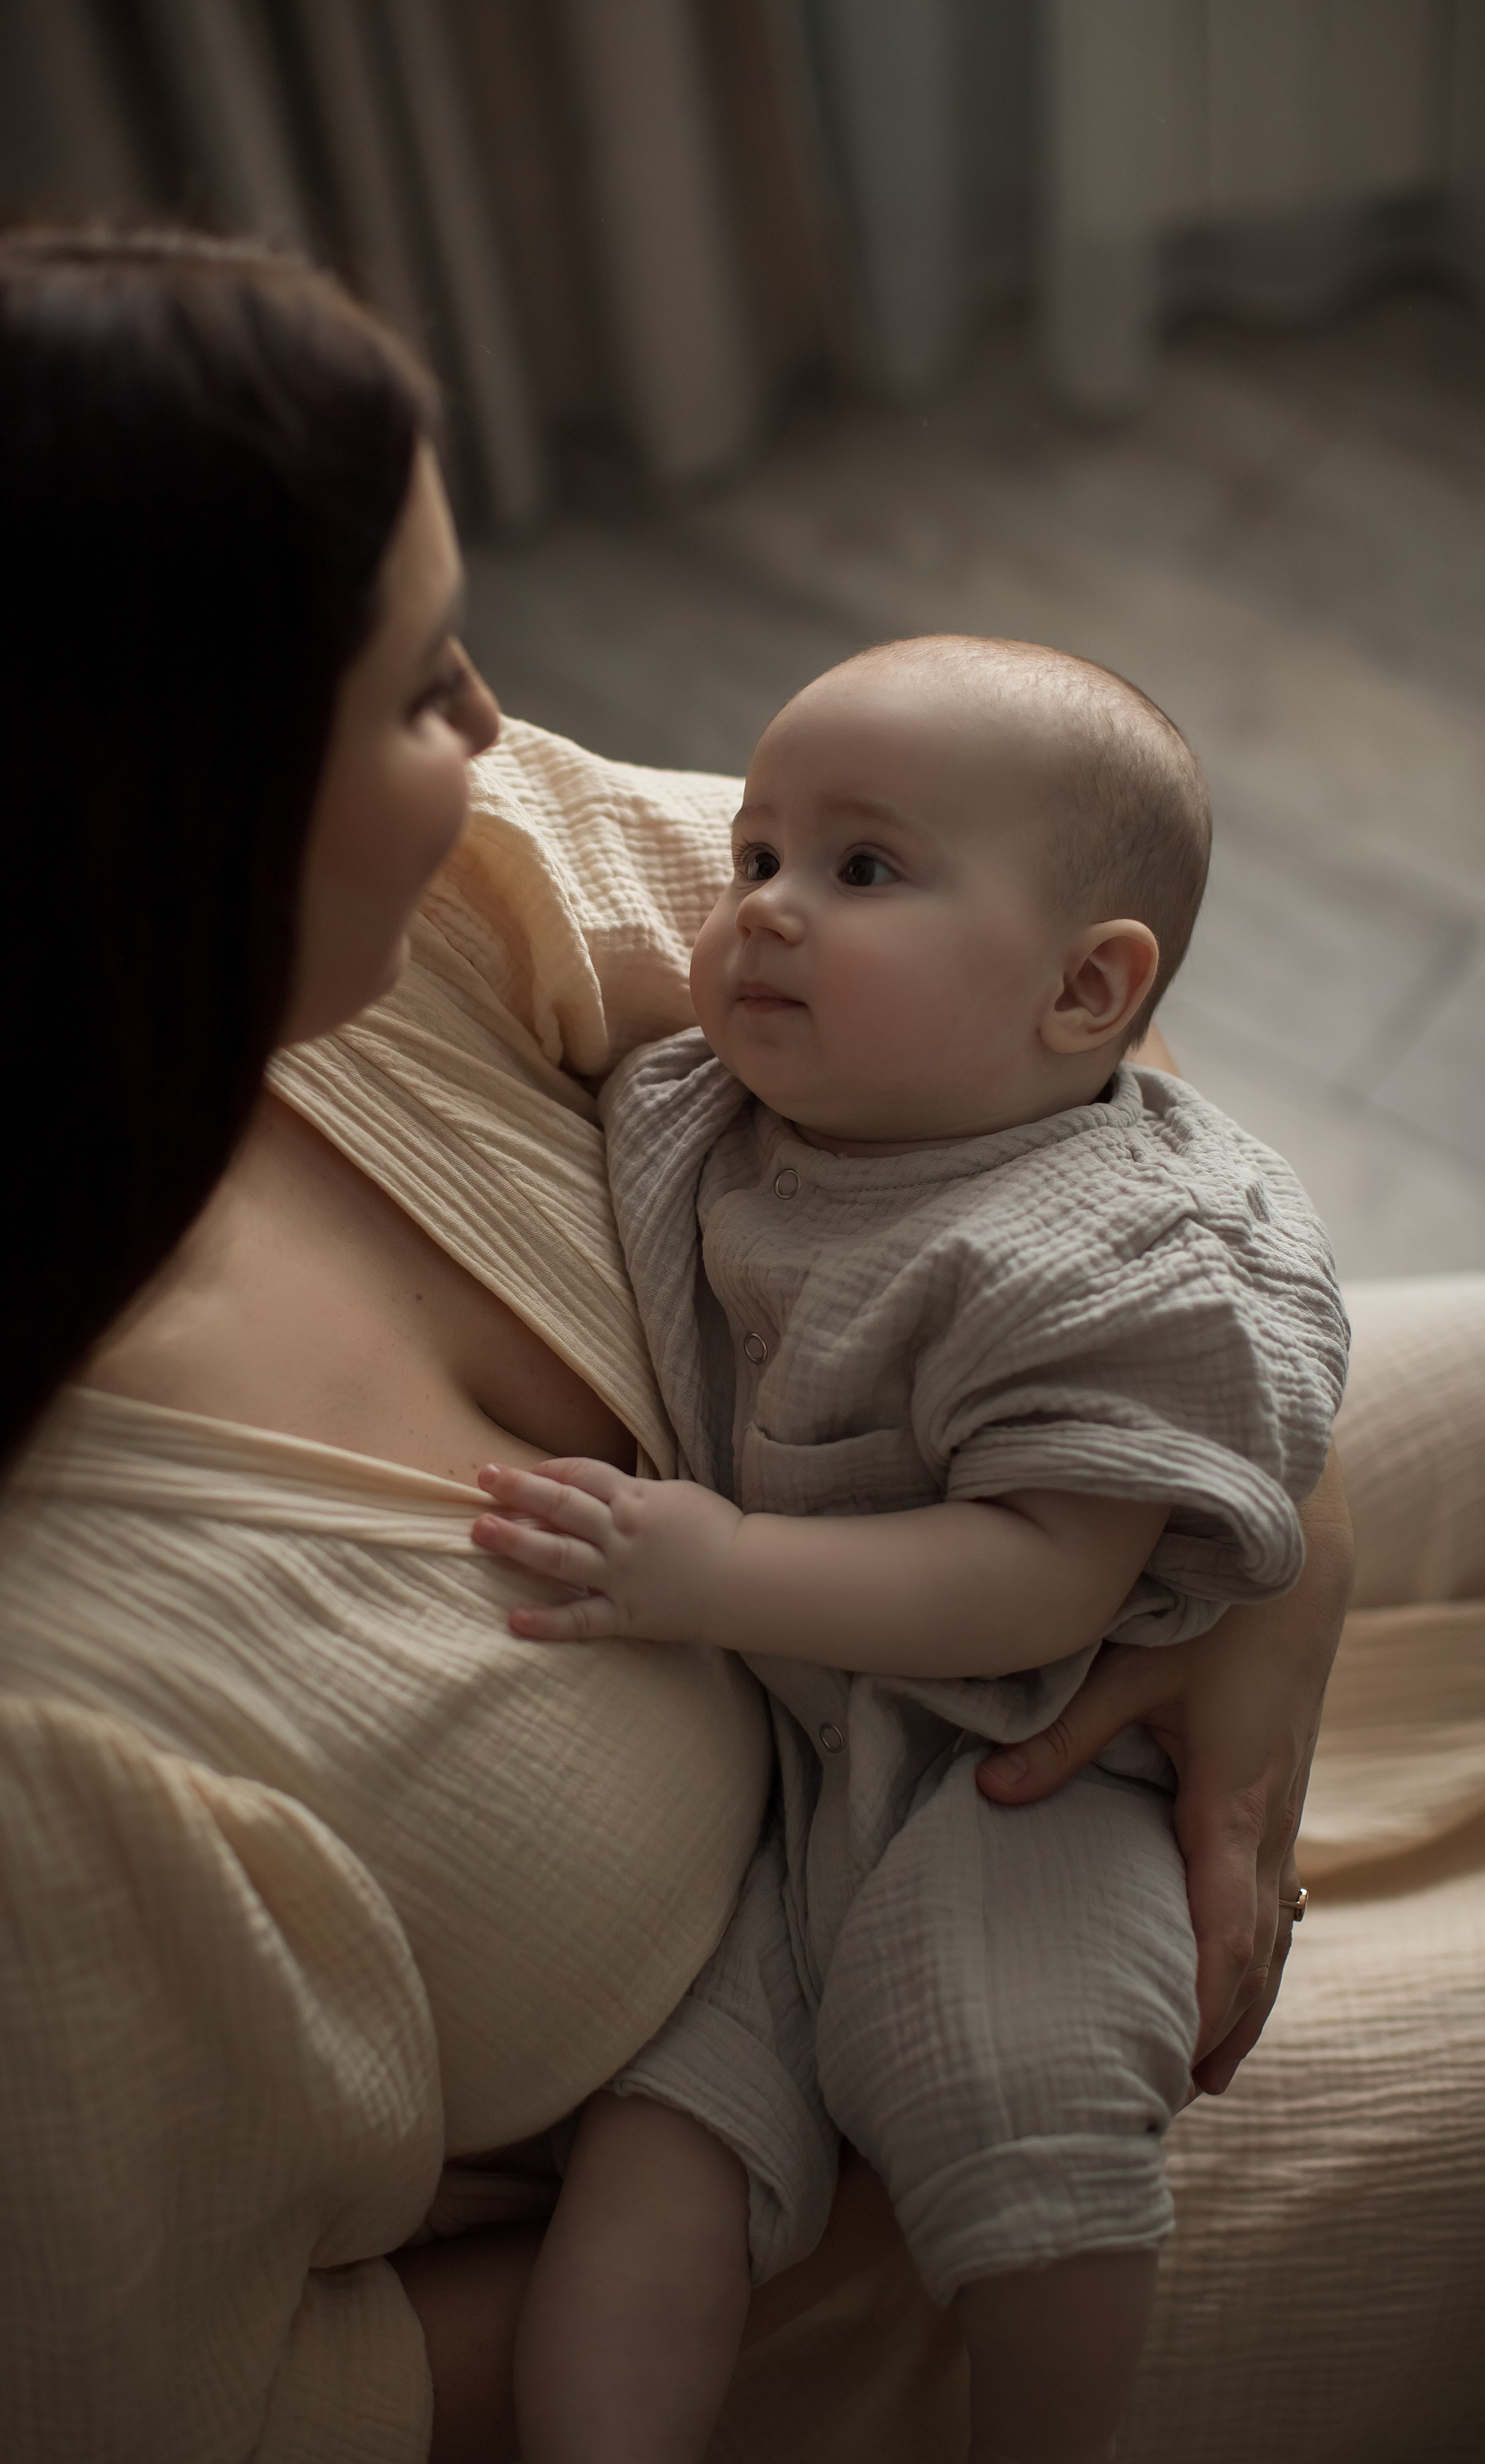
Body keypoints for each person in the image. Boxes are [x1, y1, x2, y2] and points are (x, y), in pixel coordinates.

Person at [0, 222, 1354, 2464]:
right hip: (831, 2186)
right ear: (162, 819)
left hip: (1001, 1583)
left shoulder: (397, 914)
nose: (499, 727)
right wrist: (808, 2203)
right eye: (431, 678)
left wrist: (1267, 1565)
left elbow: (1028, 1028)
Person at [478, 639, 1349, 2464]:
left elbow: (1046, 1578)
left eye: (859, 871)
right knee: (661, 2156)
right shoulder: (712, 1111)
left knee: (1026, 2105)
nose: (769, 911)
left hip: (1020, 1764)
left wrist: (712, 1573)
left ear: (1086, 993)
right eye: (758, 862)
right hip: (771, 1789)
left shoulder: (1110, 1254)